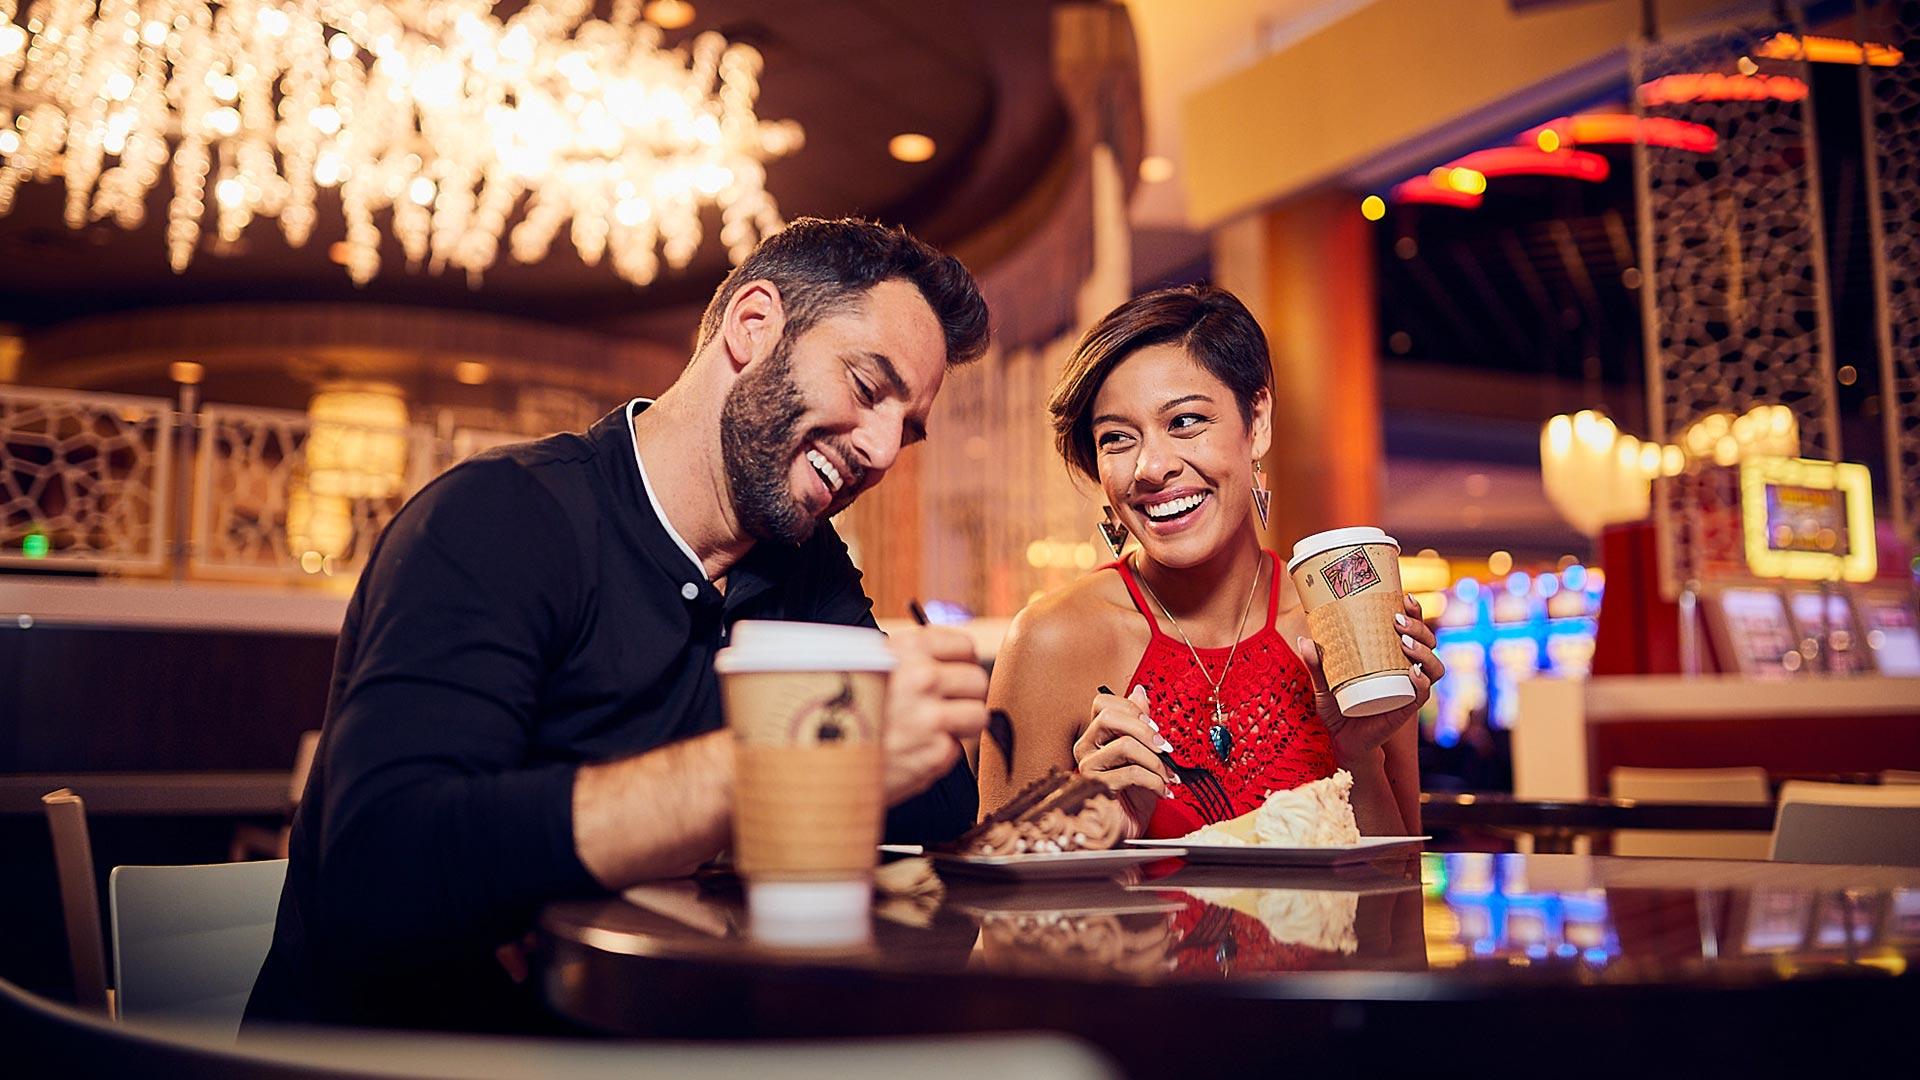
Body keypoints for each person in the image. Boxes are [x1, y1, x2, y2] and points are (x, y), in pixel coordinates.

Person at [247, 218, 993, 1032]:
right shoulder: (501, 517)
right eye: (865, 386)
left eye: (907, 430)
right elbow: (383, 869)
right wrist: (780, 772)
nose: (884, 452)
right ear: (753, 326)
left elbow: (936, 811)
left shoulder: (799, 565)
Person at [980, 285, 1440, 839]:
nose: (1150, 467)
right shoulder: (1051, 641)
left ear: (1258, 421)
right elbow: (996, 917)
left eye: (1185, 422)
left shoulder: (1343, 628)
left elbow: (1397, 907)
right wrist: (1088, 832)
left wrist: (1357, 758)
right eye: (1117, 439)